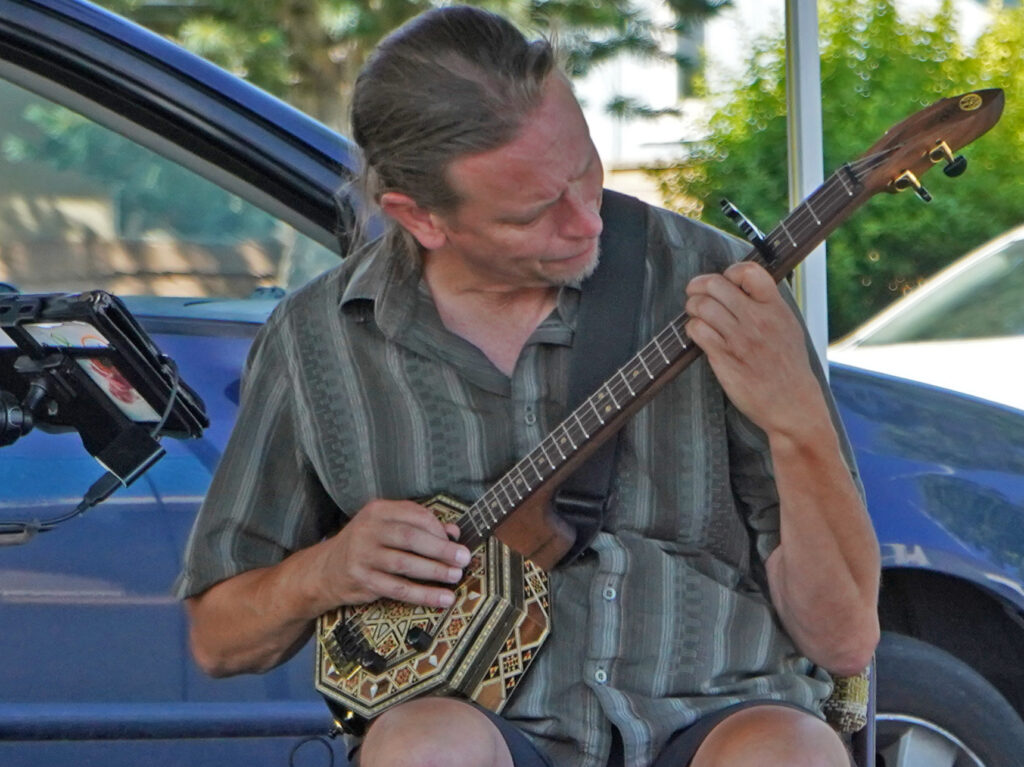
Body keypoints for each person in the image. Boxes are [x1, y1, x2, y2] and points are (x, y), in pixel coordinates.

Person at [175, 6, 880, 766]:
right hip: (485, 730)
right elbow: (219, 640)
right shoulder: (320, 339)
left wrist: (796, 417)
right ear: (421, 218)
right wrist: (325, 569)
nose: (586, 222)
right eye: (537, 210)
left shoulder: (715, 287)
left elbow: (843, 638)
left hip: (722, 715)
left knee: (791, 754)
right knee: (421, 747)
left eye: (586, 171)